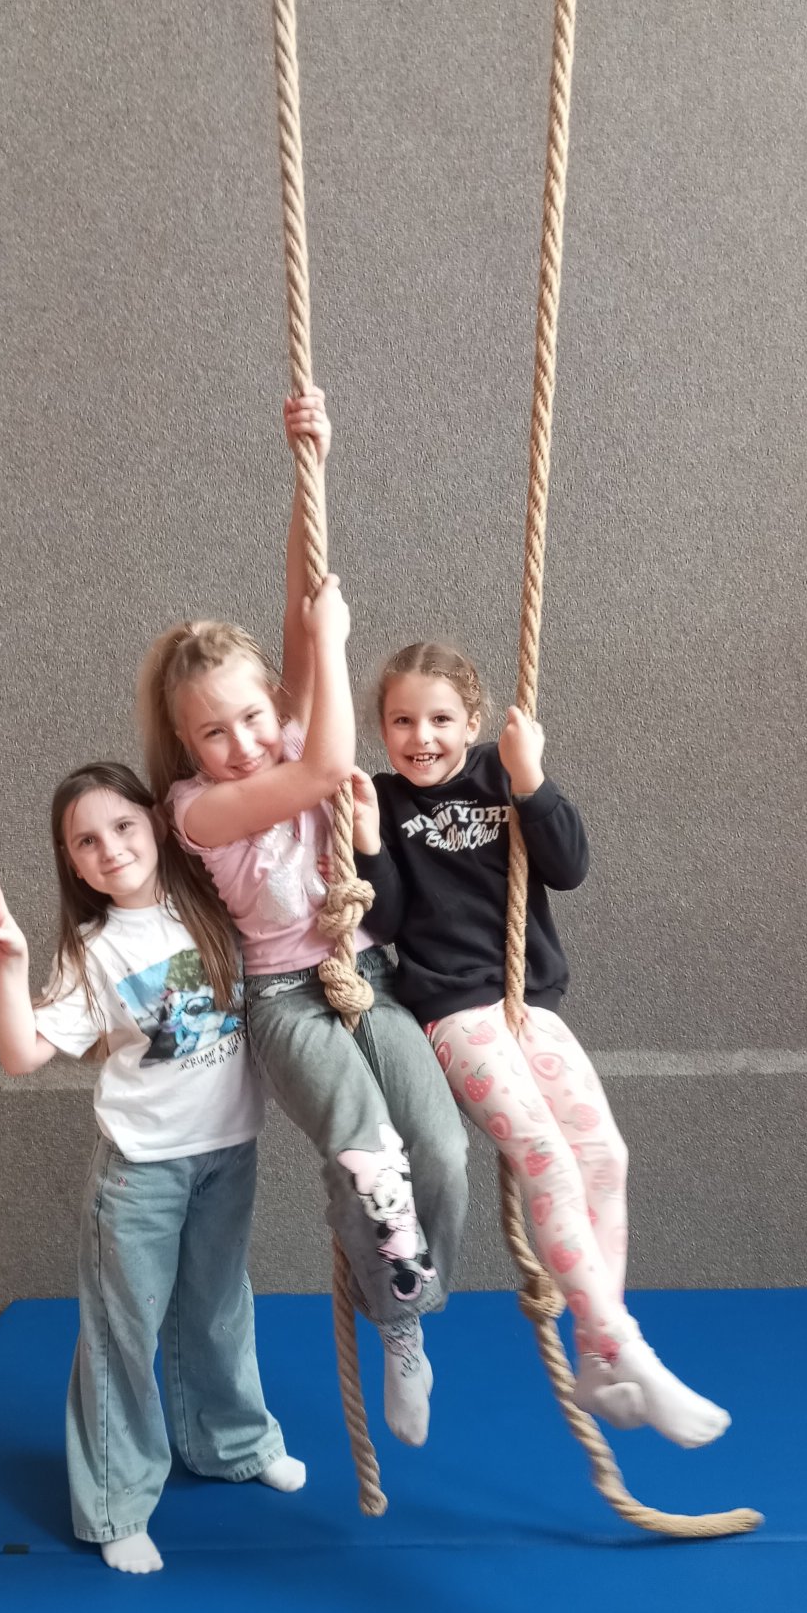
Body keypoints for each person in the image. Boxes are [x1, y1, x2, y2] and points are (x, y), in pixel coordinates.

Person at [136, 389, 467, 1449]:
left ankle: (414, 1305)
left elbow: (295, 606)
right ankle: (398, 1330)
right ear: (187, 746)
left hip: (369, 970)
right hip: (286, 994)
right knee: (369, 1153)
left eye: (250, 717)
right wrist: (335, 643)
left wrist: (307, 466)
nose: (241, 744)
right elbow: (326, 764)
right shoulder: (197, 810)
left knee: (440, 1153)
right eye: (214, 734)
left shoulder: (280, 730)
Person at [352, 644, 730, 1450]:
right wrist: (369, 843)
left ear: (473, 722)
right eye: (402, 721)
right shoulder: (383, 798)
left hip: (525, 1001)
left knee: (605, 1155)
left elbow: (569, 867)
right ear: (381, 728)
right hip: (454, 1012)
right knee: (546, 1157)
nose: (422, 737)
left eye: (441, 719)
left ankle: (598, 1357)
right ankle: (624, 1345)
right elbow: (381, 922)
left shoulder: (500, 772)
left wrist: (531, 781)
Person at [0, 761, 304, 1576]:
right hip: (141, 1172)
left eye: (121, 826)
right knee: (124, 1335)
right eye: (86, 841)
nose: (109, 848)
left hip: (228, 1154)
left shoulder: (213, 905)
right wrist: (9, 965)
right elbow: (22, 1055)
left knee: (219, 1310)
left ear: (156, 823)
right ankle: (116, 1502)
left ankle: (233, 1443)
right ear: (73, 865)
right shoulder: (93, 951)